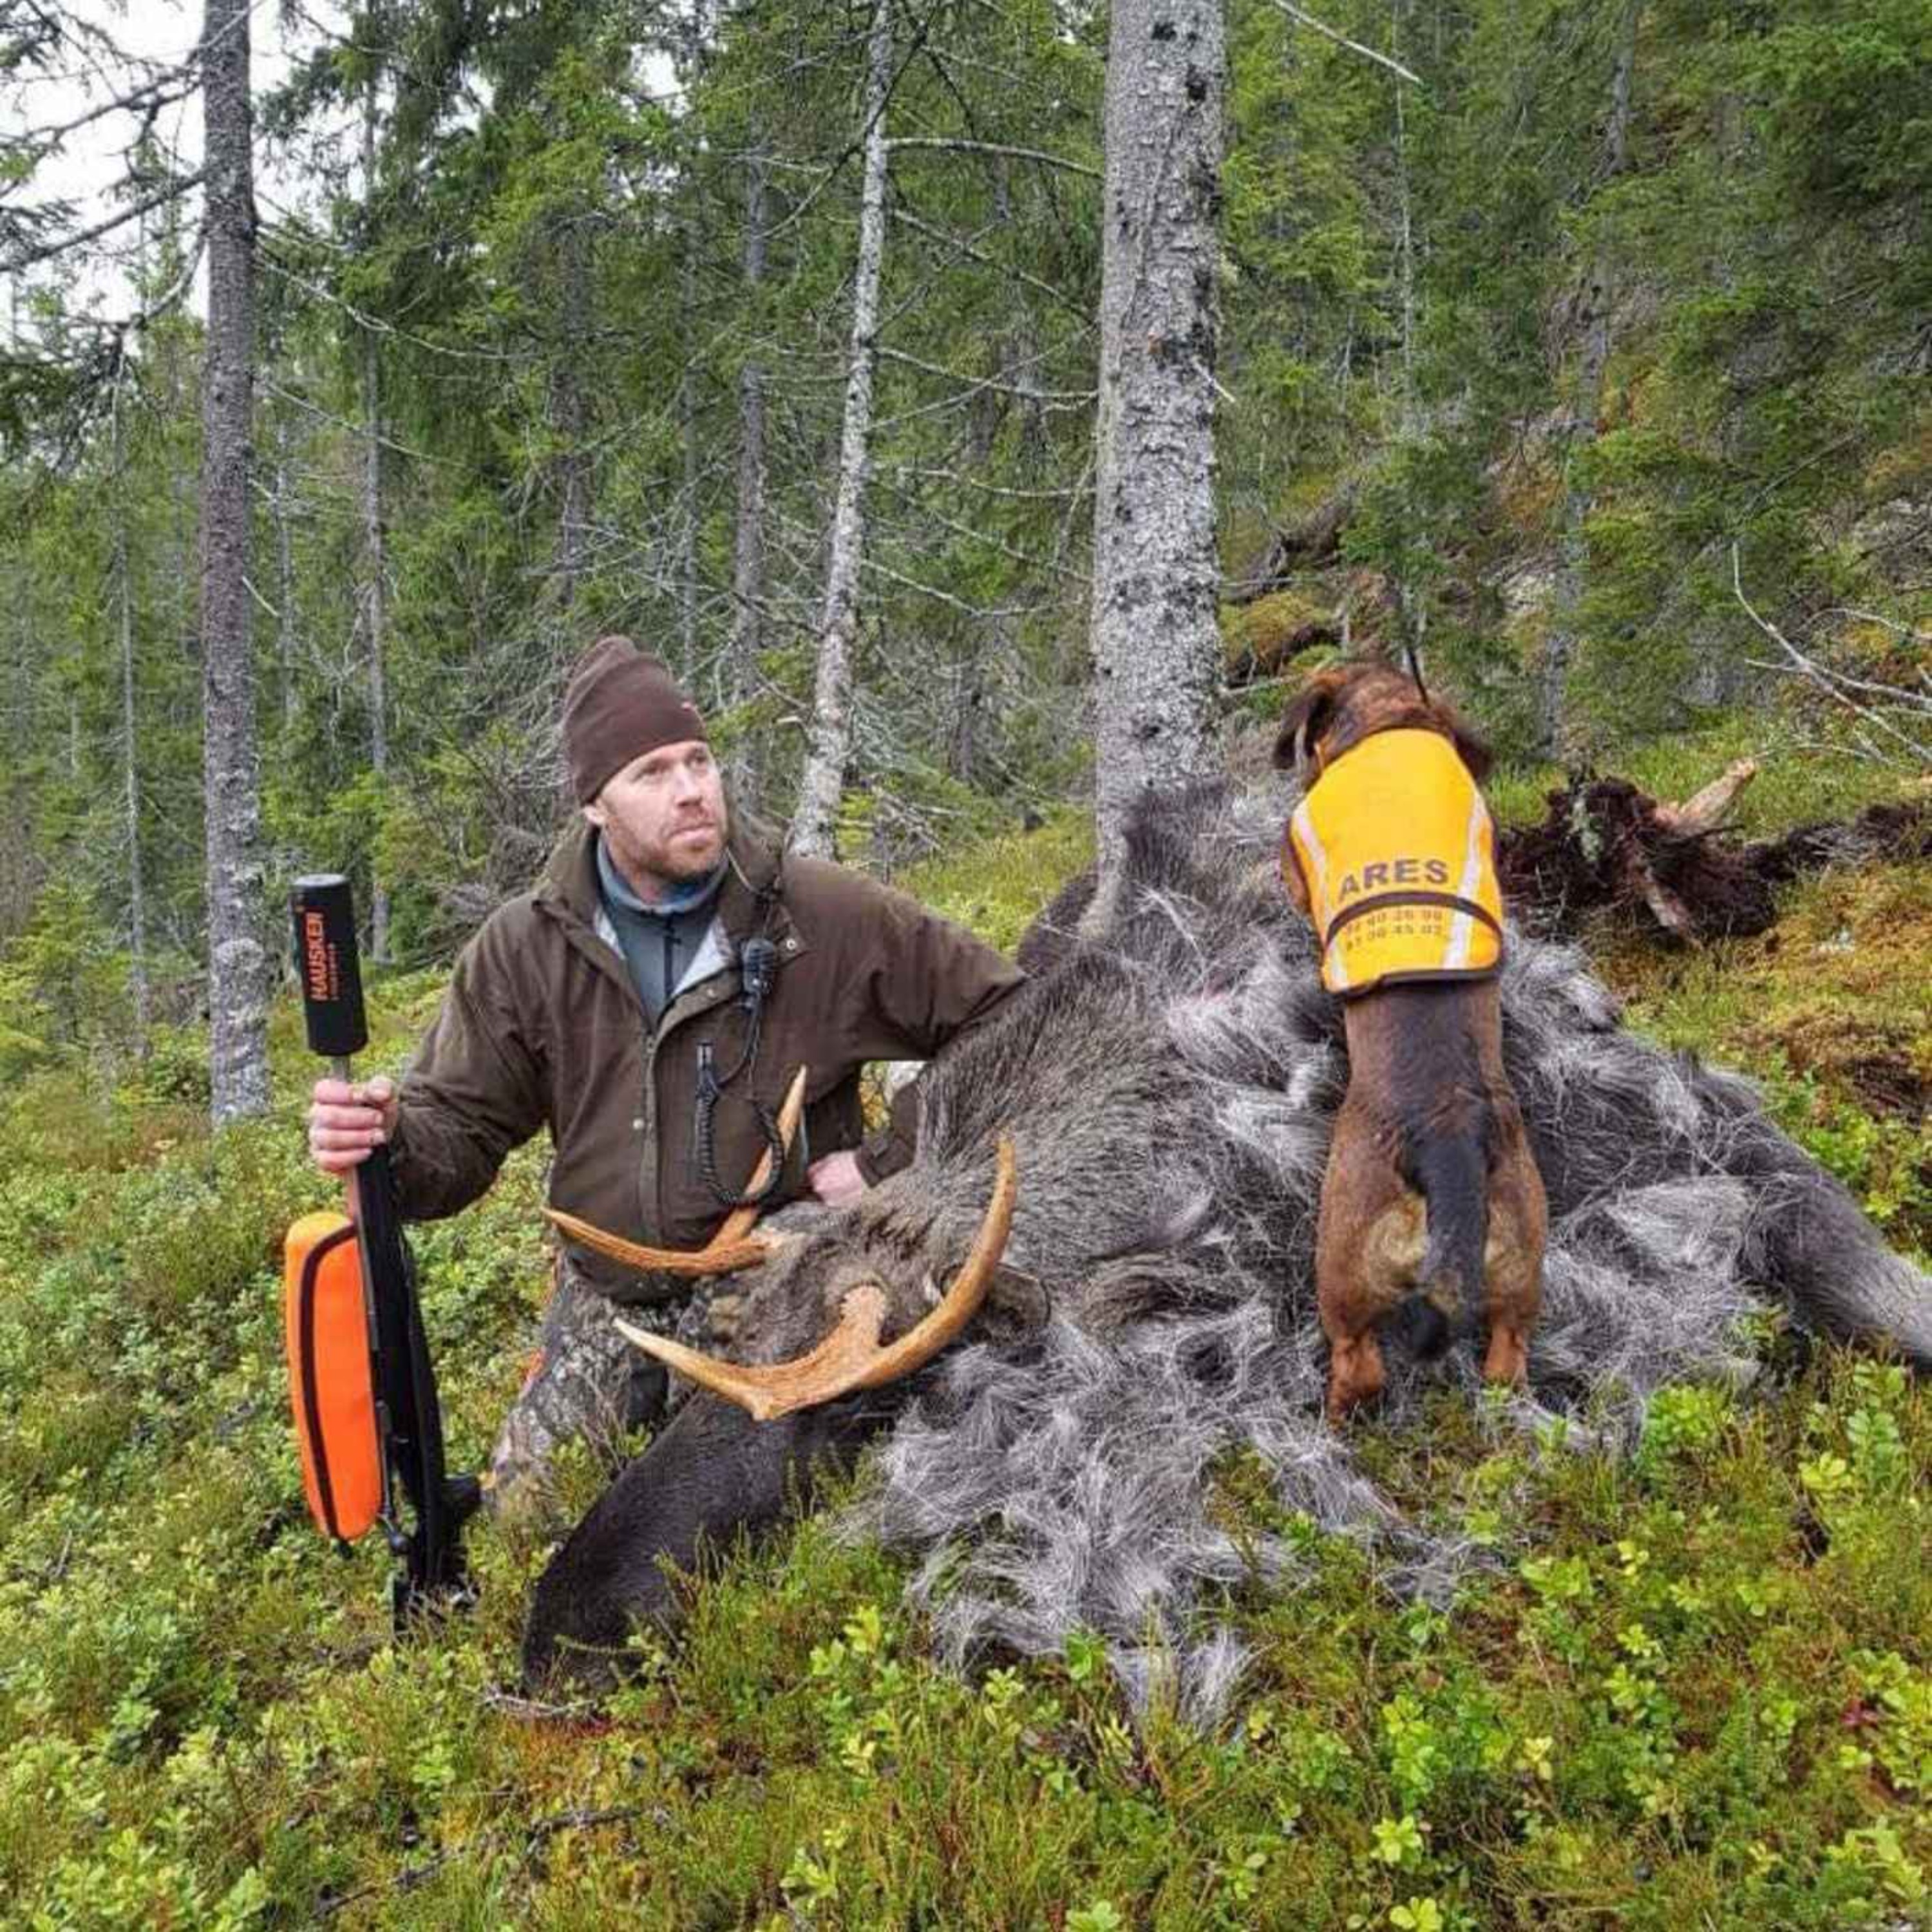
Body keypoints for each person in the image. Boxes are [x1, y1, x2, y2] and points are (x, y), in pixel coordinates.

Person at [308, 636, 1024, 1517]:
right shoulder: (527, 950)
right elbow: (455, 1135)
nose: (691, 789)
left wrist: (889, 1160)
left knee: (727, 1521)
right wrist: (386, 1142)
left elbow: (1014, 1016)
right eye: (651, 772)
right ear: (595, 805)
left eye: (699, 760)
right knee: (529, 1521)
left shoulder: (820, 916)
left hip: (781, 1277)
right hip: (613, 1296)